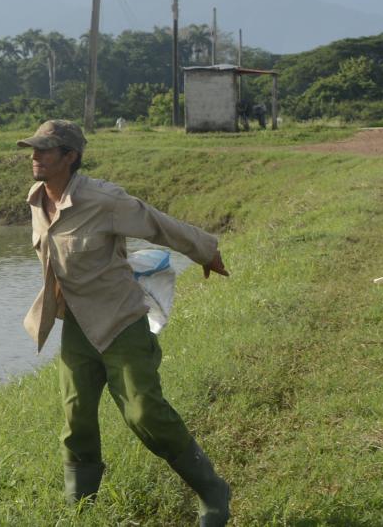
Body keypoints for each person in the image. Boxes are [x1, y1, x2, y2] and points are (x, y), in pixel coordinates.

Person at [18, 119, 233, 526]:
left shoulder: (103, 199)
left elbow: (156, 223)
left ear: (70, 157)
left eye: (45, 150)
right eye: (33, 148)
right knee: (76, 417)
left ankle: (212, 490)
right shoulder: (36, 199)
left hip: (120, 320)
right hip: (77, 323)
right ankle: (82, 513)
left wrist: (206, 251)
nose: (35, 156)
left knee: (143, 412)